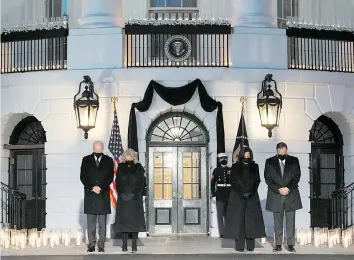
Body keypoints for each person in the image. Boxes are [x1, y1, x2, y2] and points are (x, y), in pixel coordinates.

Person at [224, 147, 266, 252]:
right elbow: (233, 182)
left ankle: (251, 246)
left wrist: (249, 192)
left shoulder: (255, 166)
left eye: (249, 156)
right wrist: (242, 192)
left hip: (251, 197)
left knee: (250, 221)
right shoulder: (234, 167)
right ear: (241, 156)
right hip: (238, 197)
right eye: (245, 156)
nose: (247, 158)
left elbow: (257, 180)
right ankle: (239, 246)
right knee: (239, 221)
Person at [264, 142, 302, 252]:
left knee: (290, 221)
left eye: (283, 152)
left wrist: (288, 188)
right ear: (277, 152)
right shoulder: (269, 162)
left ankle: (290, 245)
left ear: (287, 151)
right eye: (279, 153)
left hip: (290, 194)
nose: (282, 154)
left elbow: (297, 176)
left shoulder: (294, 160)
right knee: (277, 222)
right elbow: (268, 179)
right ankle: (278, 244)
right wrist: (279, 189)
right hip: (276, 195)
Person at [80, 141, 114, 252]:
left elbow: (110, 177)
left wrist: (101, 187)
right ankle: (91, 244)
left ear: (103, 148)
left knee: (102, 223)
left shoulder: (109, 160)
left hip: (103, 195)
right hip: (90, 195)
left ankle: (101, 244)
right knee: (91, 223)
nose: (98, 149)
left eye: (100, 148)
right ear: (93, 148)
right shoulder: (86, 159)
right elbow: (83, 176)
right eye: (96, 147)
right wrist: (92, 187)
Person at [114, 148, 146, 252]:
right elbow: (117, 181)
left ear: (133, 156)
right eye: (126, 155)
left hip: (135, 199)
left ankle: (134, 245)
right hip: (123, 198)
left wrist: (133, 194)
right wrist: (122, 193)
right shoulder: (120, 166)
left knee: (134, 223)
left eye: (130, 155)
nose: (127, 156)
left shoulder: (138, 167)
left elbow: (141, 183)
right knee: (124, 223)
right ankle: (124, 245)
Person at [210, 153, 232, 238]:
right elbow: (212, 183)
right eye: (222, 159)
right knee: (220, 215)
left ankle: (228, 231)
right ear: (219, 160)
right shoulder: (216, 170)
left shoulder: (231, 170)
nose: (224, 160)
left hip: (229, 195)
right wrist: (214, 195)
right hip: (219, 195)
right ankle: (222, 233)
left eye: (225, 158)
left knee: (228, 215)